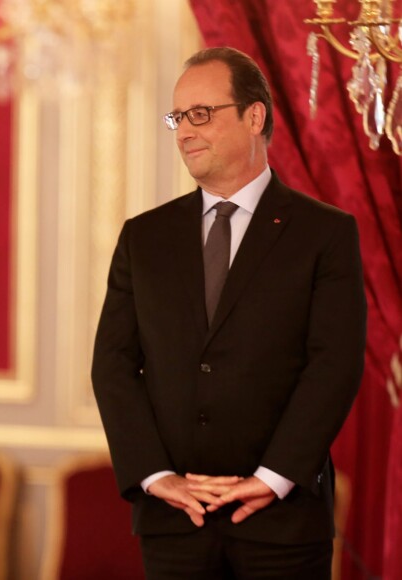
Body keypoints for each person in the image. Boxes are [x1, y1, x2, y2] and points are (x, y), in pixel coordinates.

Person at [91, 47, 366, 580]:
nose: (184, 132)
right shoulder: (143, 238)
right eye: (177, 118)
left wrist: (274, 476)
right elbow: (113, 365)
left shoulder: (325, 234)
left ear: (254, 116)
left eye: (201, 114)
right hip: (174, 522)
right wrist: (153, 475)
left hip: (282, 523)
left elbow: (333, 365)